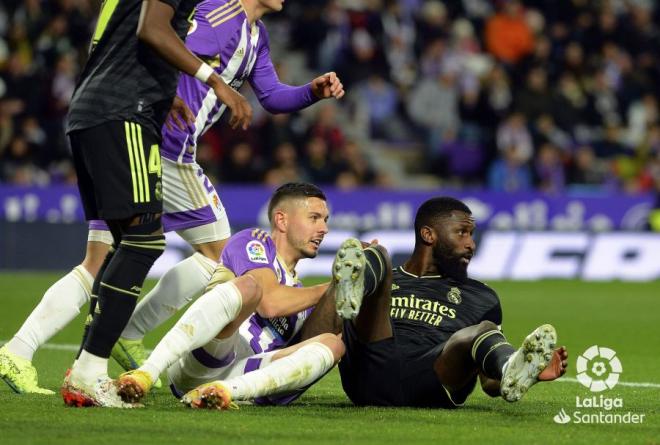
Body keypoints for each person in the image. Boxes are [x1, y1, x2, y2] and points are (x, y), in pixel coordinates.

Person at [0, 0, 345, 397]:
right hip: (165, 145)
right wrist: (187, 94)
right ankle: (129, 332)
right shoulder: (219, 14)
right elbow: (164, 43)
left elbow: (271, 96)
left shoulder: (256, 35)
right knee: (221, 255)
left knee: (101, 257)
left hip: (133, 131)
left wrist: (311, 92)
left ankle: (20, 349)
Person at [298, 196, 568, 407]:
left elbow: (488, 384)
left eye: (471, 235)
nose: (471, 244)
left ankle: (512, 364)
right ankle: (352, 280)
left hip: (432, 378)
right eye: (462, 233)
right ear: (429, 235)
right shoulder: (386, 278)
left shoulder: (482, 297)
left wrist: (528, 372)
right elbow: (309, 342)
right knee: (376, 254)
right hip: (371, 366)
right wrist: (339, 285)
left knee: (483, 330)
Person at [116, 182, 343, 408]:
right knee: (250, 288)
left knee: (334, 345)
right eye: (314, 218)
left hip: (247, 375)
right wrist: (335, 286)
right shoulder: (254, 242)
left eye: (325, 220)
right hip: (208, 356)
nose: (323, 228)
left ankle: (222, 393)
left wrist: (367, 282)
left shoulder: (304, 296)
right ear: (281, 220)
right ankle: (146, 373)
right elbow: (270, 304)